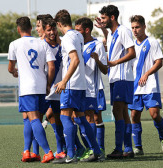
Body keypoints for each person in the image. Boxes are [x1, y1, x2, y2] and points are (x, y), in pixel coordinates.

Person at [52, 9, 104, 163]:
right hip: (81, 85)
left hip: (72, 85)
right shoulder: (78, 35)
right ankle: (96, 151)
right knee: (81, 118)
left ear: (59, 24)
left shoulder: (68, 37)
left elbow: (75, 60)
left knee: (64, 117)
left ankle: (70, 155)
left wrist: (64, 81)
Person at [8, 16, 55, 163]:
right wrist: (48, 84)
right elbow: (51, 66)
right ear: (30, 28)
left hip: (27, 88)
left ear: (18, 29)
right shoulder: (42, 43)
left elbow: (10, 68)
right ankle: (27, 151)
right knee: (30, 119)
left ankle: (47, 152)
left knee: (33, 119)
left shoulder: (14, 44)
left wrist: (14, 72)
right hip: (41, 86)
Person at [97, 5, 136, 159]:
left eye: (104, 18)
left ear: (112, 17)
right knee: (123, 112)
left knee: (117, 111)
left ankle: (120, 149)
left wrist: (115, 63)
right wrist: (103, 30)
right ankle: (127, 148)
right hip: (115, 78)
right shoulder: (113, 33)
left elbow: (132, 53)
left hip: (122, 77)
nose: (102, 20)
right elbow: (110, 42)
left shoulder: (124, 31)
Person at [129, 15, 163, 155]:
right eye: (133, 27)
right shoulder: (131, 45)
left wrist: (146, 74)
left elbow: (159, 62)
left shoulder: (152, 42)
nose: (135, 30)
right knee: (134, 116)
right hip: (134, 87)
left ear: (144, 27)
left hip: (150, 86)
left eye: (137, 27)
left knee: (154, 115)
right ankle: (138, 147)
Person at [75, 17, 108, 160]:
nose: (76, 33)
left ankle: (96, 150)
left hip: (91, 88)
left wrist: (97, 59)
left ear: (86, 30)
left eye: (78, 30)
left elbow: (105, 70)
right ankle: (89, 149)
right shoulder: (77, 44)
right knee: (75, 118)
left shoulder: (97, 45)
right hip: (77, 87)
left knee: (92, 117)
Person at [41, 18, 67, 159]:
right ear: (44, 32)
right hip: (44, 90)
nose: (52, 32)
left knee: (59, 119)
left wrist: (59, 42)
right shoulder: (41, 45)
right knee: (38, 119)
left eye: (53, 29)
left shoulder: (62, 43)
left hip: (58, 90)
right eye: (48, 30)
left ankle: (61, 149)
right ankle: (35, 151)